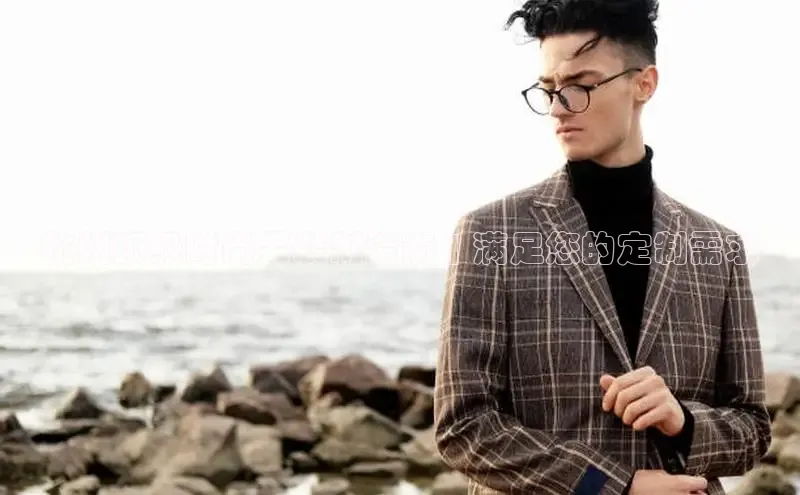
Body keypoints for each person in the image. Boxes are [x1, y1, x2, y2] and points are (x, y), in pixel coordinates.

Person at [432, 1, 771, 494]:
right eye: (549, 90)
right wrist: (615, 486)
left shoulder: (716, 247)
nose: (558, 108)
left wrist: (683, 421)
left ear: (644, 84)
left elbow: (753, 430)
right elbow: (463, 427)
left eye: (581, 86)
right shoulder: (491, 233)